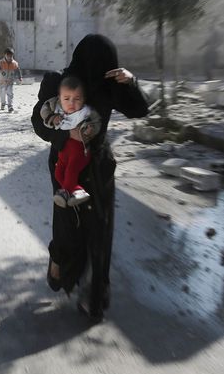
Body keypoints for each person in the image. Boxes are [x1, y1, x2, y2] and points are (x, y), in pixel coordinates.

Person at [31, 34, 149, 322]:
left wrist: (131, 81)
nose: (105, 67)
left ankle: (95, 298)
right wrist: (64, 135)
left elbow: (140, 109)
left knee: (99, 229)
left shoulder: (110, 85)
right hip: (65, 162)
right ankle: (59, 261)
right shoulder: (59, 82)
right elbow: (38, 121)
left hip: (98, 166)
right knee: (69, 223)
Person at [40, 76, 102, 208]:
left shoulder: (85, 112)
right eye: (66, 99)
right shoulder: (56, 106)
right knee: (58, 173)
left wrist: (90, 130)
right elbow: (43, 109)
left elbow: (97, 122)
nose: (71, 103)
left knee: (71, 172)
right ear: (59, 97)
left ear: (83, 99)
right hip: (63, 150)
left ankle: (65, 193)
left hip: (79, 151)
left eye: (77, 99)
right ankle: (77, 191)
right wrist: (51, 117)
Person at [0, 47, 22, 112]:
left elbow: (18, 70)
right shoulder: (1, 63)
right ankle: (3, 103)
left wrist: (20, 77)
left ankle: (10, 106)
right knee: (2, 93)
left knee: (10, 93)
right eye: (8, 56)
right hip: (2, 82)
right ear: (5, 55)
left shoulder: (14, 63)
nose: (10, 57)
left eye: (11, 56)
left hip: (10, 81)